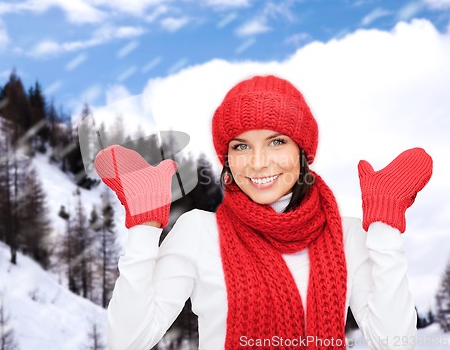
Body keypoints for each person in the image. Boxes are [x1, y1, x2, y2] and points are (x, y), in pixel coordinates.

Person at [94, 75, 433, 350]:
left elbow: (395, 344)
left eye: (276, 142)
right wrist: (145, 226)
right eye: (241, 146)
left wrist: (385, 227)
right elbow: (128, 340)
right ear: (227, 158)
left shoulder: (348, 236)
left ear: (303, 151)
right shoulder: (199, 231)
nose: (258, 162)